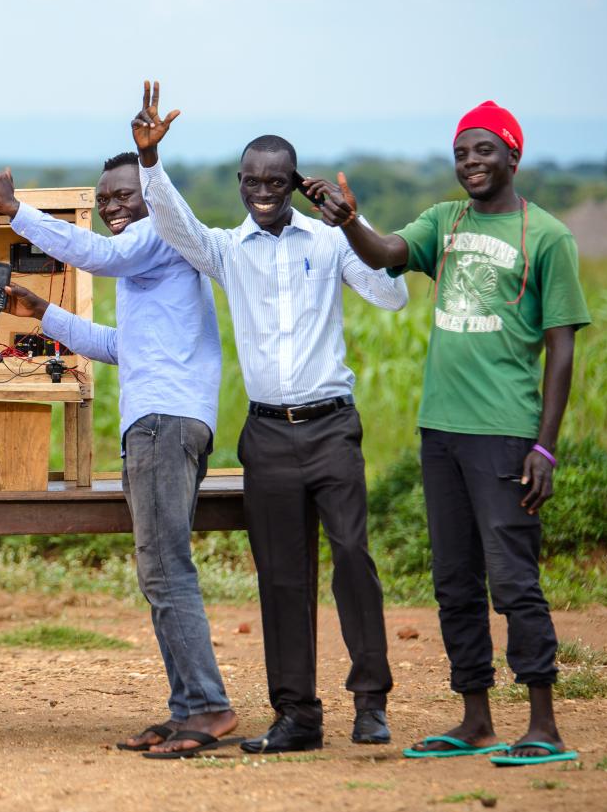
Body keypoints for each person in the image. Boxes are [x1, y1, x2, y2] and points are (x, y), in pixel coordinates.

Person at [132, 81, 406, 753]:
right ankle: (298, 716)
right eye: (252, 179)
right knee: (282, 575)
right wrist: (149, 163)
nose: (263, 189)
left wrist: (352, 222)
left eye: (275, 180)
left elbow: (392, 293)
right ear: (239, 182)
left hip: (331, 426)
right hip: (268, 434)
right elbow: (176, 226)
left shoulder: (329, 241)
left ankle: (370, 702)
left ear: (295, 182)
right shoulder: (228, 250)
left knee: (351, 559)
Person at [317, 101, 590, 766]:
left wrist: (545, 444)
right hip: (440, 430)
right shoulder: (445, 221)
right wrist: (351, 220)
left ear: (513, 156)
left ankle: (543, 724)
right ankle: (474, 717)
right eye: (462, 152)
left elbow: (561, 350)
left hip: (505, 434)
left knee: (513, 578)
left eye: (484, 150)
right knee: (455, 579)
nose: (470, 161)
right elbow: (385, 255)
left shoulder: (547, 236)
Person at [0, 159, 236, 757]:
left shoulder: (160, 234)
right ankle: (188, 707)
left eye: (125, 196)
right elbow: (120, 346)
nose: (113, 207)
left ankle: (210, 707)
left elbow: (97, 256)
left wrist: (16, 211)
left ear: (153, 198)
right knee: (161, 572)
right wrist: (43, 313)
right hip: (163, 421)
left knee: (166, 571)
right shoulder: (151, 260)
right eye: (104, 199)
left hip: (162, 425)